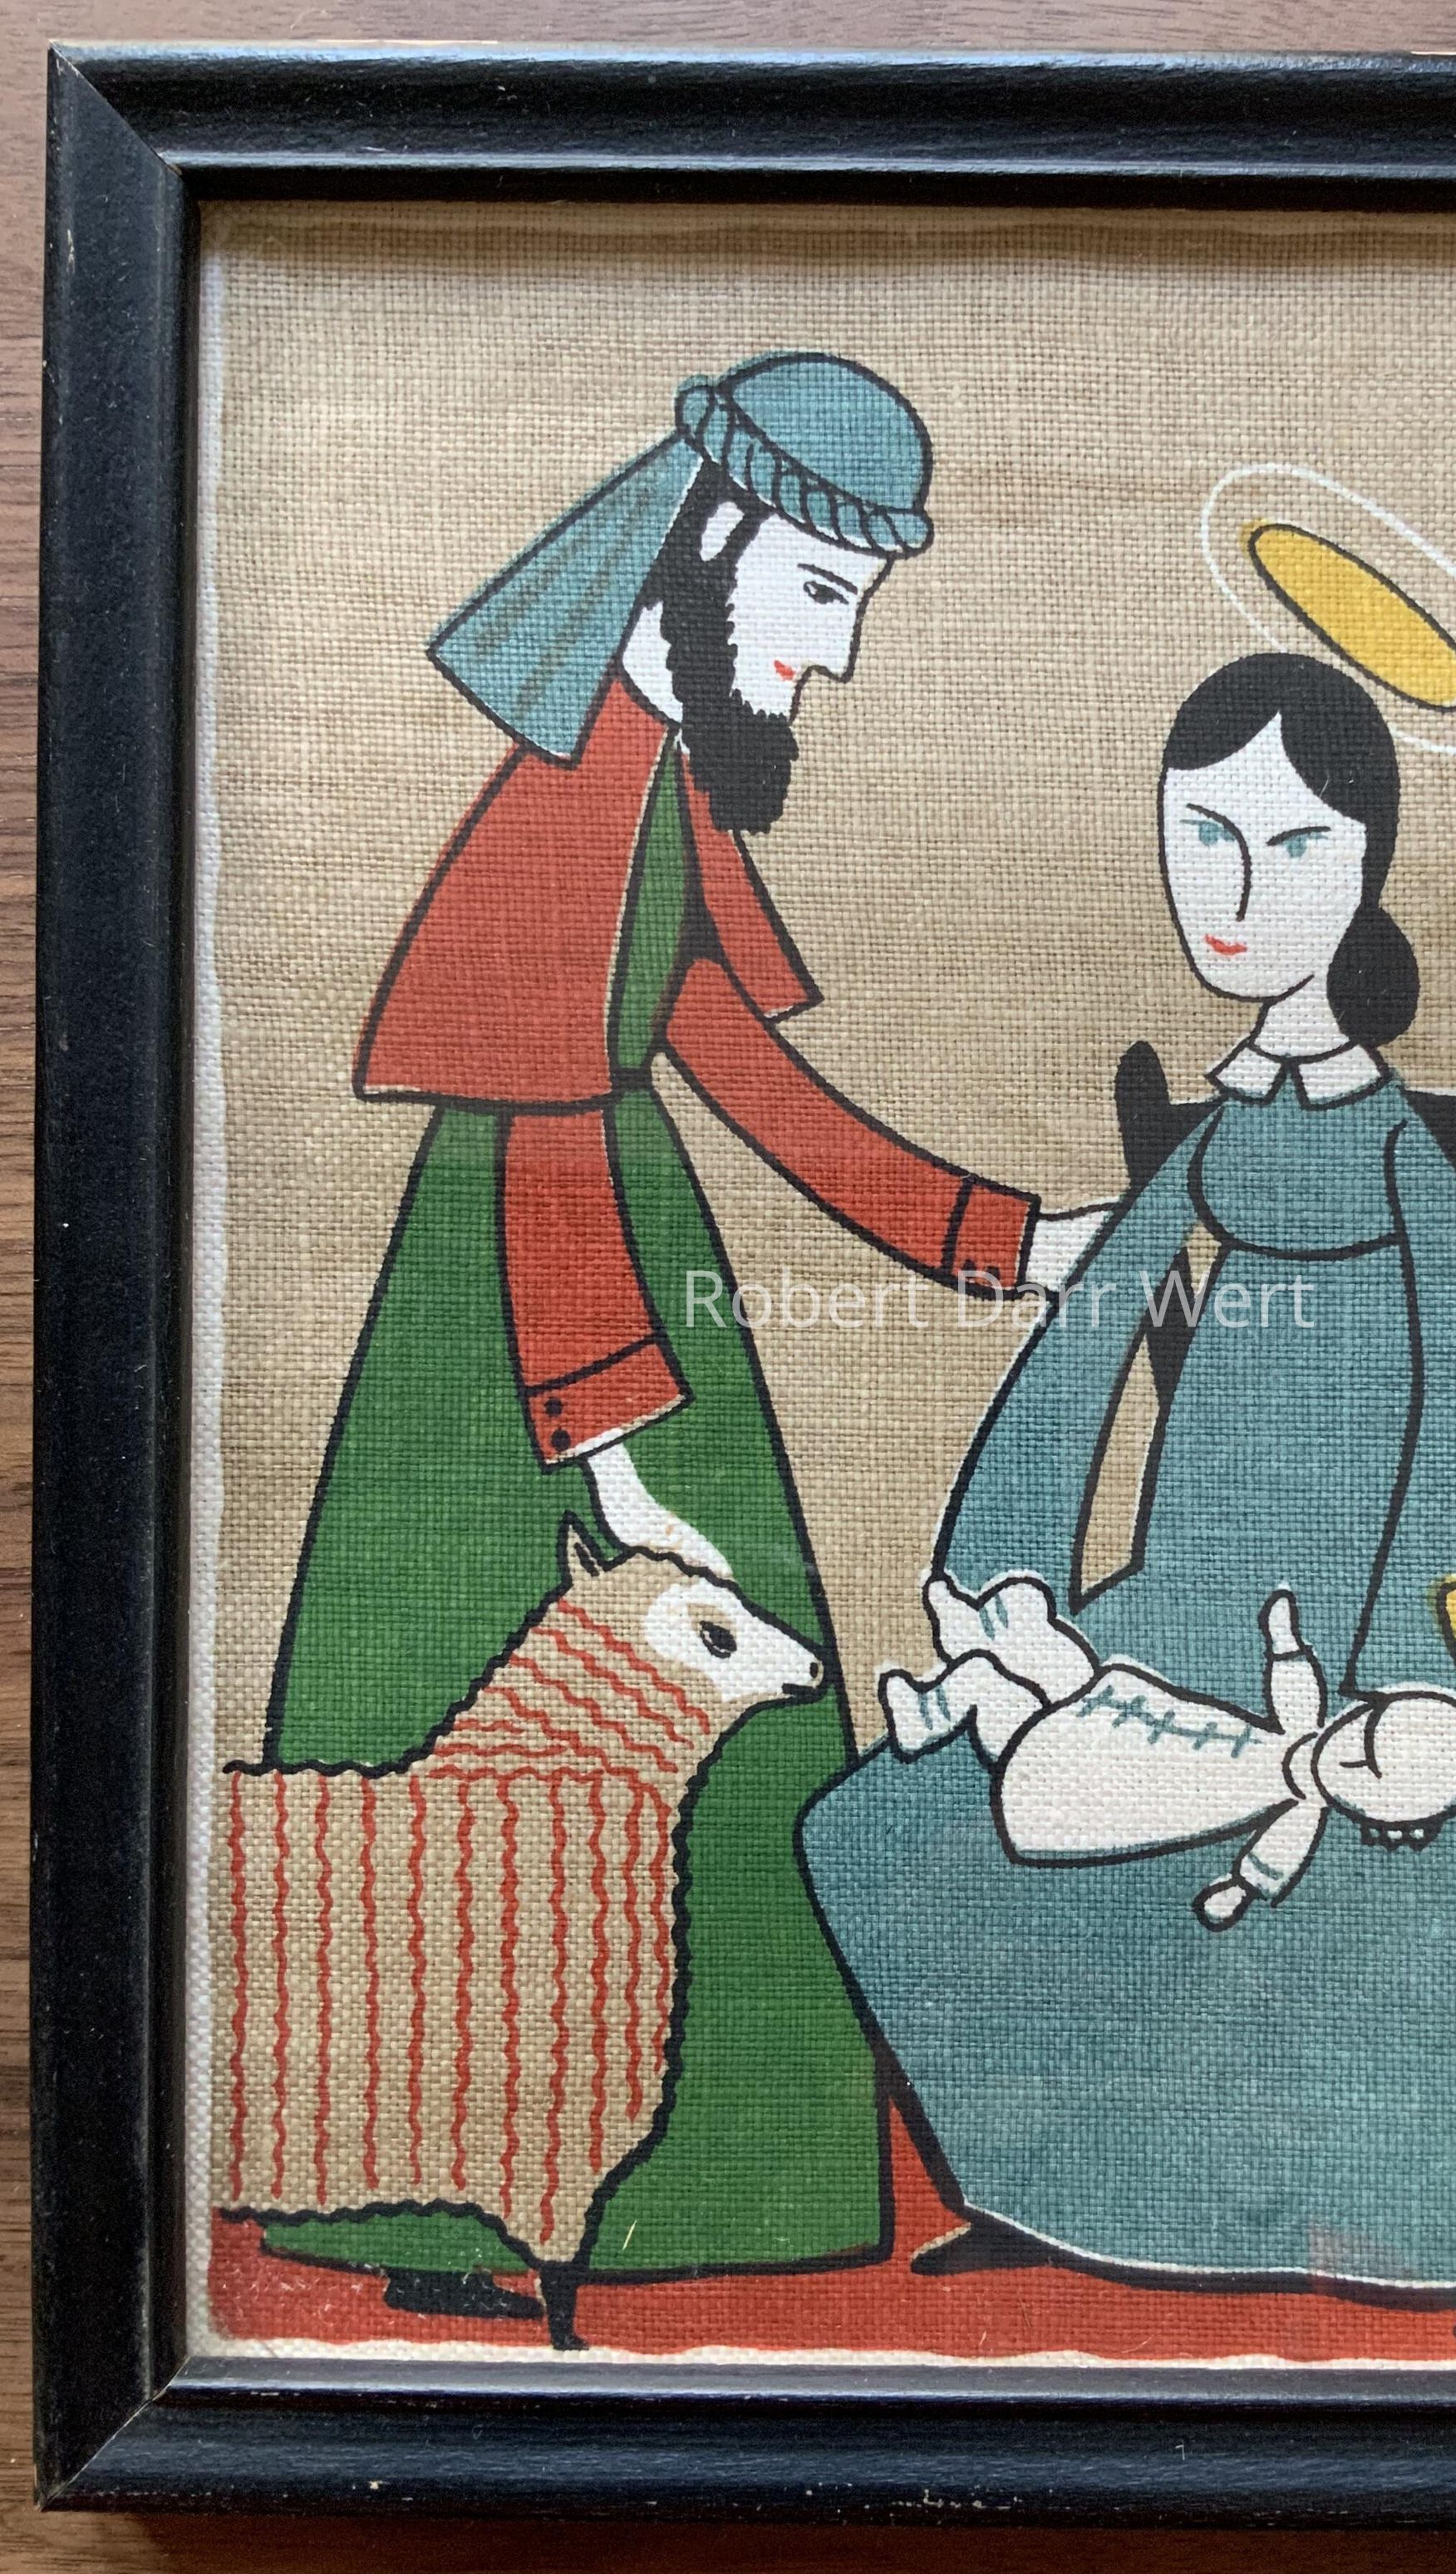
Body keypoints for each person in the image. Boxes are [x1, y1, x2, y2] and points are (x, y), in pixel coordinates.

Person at [800, 653, 1456, 2333]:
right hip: (1216, 1558)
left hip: (1434, 1575)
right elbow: (1090, 1335)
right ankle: (1072, 2184)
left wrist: (1438, 1655)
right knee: (893, 1820)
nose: (1236, 890)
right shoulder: (1217, 1130)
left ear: (1366, 867)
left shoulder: (1397, 1147)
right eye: (1201, 836)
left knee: (1409, 1854)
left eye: (1290, 847)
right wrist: (1008, 1566)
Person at [257, 353, 1101, 2318]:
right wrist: (621, 1471)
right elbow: (539, 1137)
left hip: (623, 1266)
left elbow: (744, 1073)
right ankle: (467, 2209)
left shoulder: (655, 785)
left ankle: (713, 2177)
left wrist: (1003, 1239)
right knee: (511, 1749)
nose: (832, 654)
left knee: (711, 1726)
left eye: (854, 606)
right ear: (699, 547)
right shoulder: (573, 798)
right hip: (528, 1323)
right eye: (816, 593)